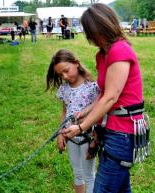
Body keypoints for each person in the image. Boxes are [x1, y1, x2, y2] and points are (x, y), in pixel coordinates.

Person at [61, 4, 146, 193]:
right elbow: (102, 93)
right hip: (111, 128)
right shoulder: (102, 55)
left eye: (90, 31)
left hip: (123, 132)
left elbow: (111, 97)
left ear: (101, 27)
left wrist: (82, 127)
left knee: (104, 188)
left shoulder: (120, 50)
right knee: (122, 188)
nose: (89, 37)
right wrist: (86, 112)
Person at [46, 49, 100, 193]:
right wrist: (59, 133)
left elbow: (98, 110)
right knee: (77, 172)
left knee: (89, 175)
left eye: (66, 70)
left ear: (76, 63)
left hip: (87, 136)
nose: (64, 76)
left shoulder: (92, 87)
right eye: (60, 74)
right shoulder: (64, 89)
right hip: (70, 137)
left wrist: (95, 138)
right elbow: (64, 112)